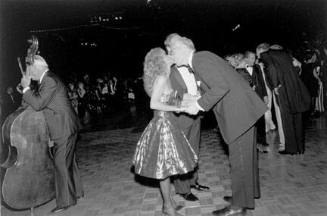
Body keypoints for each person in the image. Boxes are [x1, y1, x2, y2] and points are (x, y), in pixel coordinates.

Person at [166, 33, 267, 216]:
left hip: (238, 113)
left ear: (181, 49)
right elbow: (214, 87)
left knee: (239, 161)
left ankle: (238, 205)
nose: (170, 56)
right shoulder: (201, 59)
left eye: (171, 51)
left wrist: (197, 106)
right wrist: (196, 99)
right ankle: (246, 195)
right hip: (243, 110)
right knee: (247, 158)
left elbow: (221, 87)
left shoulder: (199, 60)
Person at [132, 48, 198, 216]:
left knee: (167, 166)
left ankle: (168, 202)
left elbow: (172, 101)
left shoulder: (166, 77)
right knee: (164, 168)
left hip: (170, 122)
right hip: (163, 124)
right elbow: (154, 104)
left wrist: (190, 101)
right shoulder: (161, 78)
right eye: (165, 55)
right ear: (161, 61)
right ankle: (168, 206)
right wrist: (177, 106)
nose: (170, 56)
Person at [20, 55, 83, 213]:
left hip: (63, 128)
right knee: (68, 162)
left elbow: (39, 104)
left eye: (30, 68)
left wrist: (26, 88)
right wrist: (25, 91)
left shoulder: (49, 80)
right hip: (65, 126)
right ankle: (77, 192)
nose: (29, 72)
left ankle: (66, 201)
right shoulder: (47, 79)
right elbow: (36, 101)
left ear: (37, 67)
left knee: (61, 164)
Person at [165, 34, 209, 202]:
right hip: (179, 118)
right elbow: (165, 96)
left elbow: (202, 85)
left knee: (194, 151)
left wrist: (200, 95)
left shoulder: (192, 66)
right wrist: (185, 101)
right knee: (182, 154)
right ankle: (183, 189)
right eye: (172, 48)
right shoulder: (167, 70)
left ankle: (193, 182)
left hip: (196, 115)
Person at [258, 44, 311, 155]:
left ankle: (290, 148)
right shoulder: (287, 55)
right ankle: (300, 148)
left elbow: (271, 69)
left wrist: (275, 85)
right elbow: (298, 66)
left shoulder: (267, 55)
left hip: (282, 89)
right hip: (295, 87)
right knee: (297, 117)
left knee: (286, 118)